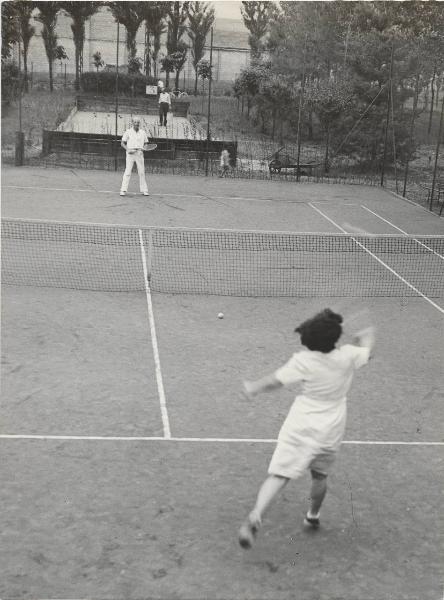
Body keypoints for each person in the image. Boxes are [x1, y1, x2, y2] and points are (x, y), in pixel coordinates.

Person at [238, 308, 375, 549]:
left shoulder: (302, 361)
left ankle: (256, 515)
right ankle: (312, 515)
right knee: (320, 475)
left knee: (280, 475)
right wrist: (366, 336)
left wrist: (253, 387)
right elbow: (368, 352)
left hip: (301, 425)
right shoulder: (349, 355)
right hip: (331, 427)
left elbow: (274, 381)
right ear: (334, 338)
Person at [119, 117, 150, 197]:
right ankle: (123, 190)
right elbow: (122, 143)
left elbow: (146, 143)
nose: (136, 124)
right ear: (132, 123)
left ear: (139, 123)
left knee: (141, 172)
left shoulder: (143, 132)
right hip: (130, 154)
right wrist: (128, 149)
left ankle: (144, 190)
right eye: (135, 122)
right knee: (127, 172)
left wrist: (145, 148)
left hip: (139, 154)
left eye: (138, 122)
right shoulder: (128, 132)